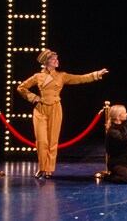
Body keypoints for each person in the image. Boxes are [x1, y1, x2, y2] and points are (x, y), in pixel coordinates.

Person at [17, 49, 108, 179]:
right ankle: (41, 167)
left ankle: (49, 169)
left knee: (53, 140)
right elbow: (21, 87)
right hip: (40, 109)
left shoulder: (62, 75)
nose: (56, 61)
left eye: (57, 59)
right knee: (41, 140)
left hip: (55, 108)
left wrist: (96, 74)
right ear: (46, 62)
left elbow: (80, 78)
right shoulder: (37, 76)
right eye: (53, 59)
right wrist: (33, 97)